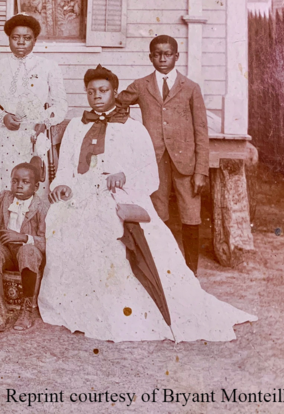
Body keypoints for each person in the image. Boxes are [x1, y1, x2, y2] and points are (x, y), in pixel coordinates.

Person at [38, 65, 256, 342]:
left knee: (107, 223)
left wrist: (124, 176)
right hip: (81, 193)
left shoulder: (133, 129)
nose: (97, 96)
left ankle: (124, 303)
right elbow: (66, 169)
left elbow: (150, 176)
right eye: (92, 92)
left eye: (103, 91)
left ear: (115, 93)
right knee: (59, 216)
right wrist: (62, 186)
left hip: (122, 194)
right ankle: (74, 301)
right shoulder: (75, 128)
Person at [116, 35, 209, 275]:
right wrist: (130, 125)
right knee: (158, 213)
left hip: (185, 162)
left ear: (176, 57)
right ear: (150, 57)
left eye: (167, 54)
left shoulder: (190, 88)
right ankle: (167, 268)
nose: (162, 58)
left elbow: (201, 131)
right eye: (157, 54)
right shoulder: (141, 85)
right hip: (154, 160)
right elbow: (118, 104)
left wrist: (201, 171)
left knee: (190, 213)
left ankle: (191, 270)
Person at [0, 13, 67, 190]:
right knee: (7, 185)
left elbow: (60, 104)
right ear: (9, 39)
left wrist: (45, 121)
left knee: (34, 186)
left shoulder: (49, 67)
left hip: (36, 134)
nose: (21, 42)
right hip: (6, 135)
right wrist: (2, 117)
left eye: (27, 38)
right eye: (15, 38)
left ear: (35, 40)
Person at [0, 160, 49, 333]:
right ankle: (1, 309)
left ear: (36, 186)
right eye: (15, 180)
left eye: (25, 182)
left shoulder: (42, 207)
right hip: (7, 253)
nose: (19, 186)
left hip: (28, 255)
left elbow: (45, 243)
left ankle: (27, 310)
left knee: (28, 251)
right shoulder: (5, 197)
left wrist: (22, 237)